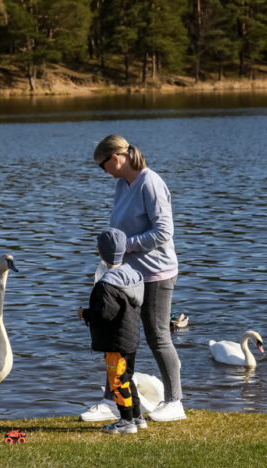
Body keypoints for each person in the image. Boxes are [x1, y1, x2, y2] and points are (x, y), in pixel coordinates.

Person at [81, 134, 186, 423]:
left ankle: (175, 401)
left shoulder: (150, 183)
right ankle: (114, 400)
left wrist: (125, 245)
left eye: (102, 165)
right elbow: (120, 228)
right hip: (126, 275)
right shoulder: (121, 185)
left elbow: (164, 232)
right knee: (119, 339)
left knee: (157, 336)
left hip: (156, 272)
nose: (103, 172)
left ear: (115, 159)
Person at [78, 228, 146, 434]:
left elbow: (104, 314)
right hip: (131, 338)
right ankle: (137, 416)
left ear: (102, 253)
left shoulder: (106, 284)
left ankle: (125, 422)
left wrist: (86, 314)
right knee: (128, 377)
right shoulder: (134, 276)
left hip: (116, 341)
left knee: (117, 380)